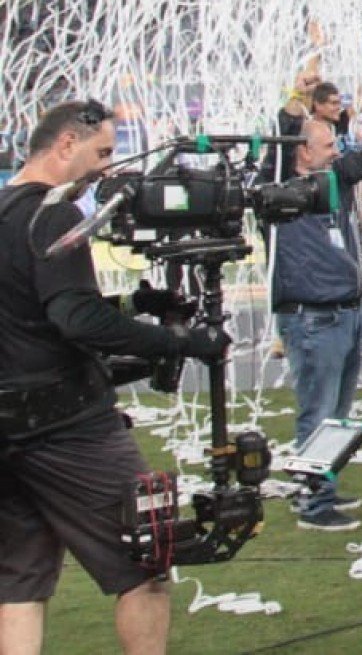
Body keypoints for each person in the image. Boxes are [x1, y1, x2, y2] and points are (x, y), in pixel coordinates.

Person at [0, 101, 231, 655]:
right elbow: (74, 318)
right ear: (64, 145)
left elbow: (29, 307)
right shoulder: (51, 214)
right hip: (66, 427)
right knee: (147, 562)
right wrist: (182, 342)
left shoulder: (6, 208)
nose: (107, 168)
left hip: (11, 428)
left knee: (19, 582)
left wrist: (131, 301)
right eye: (102, 152)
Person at [273, 77, 362, 530]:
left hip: (346, 310)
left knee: (337, 416)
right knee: (319, 412)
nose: (335, 150)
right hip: (312, 315)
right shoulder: (279, 189)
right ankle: (313, 505)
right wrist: (296, 95)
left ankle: (321, 488)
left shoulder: (333, 182)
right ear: (300, 151)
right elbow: (283, 132)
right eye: (326, 144)